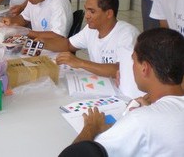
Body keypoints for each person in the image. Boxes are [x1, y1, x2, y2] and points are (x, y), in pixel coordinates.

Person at [68, 28, 184, 157]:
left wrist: (91, 127)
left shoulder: (140, 120)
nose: (131, 66)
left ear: (144, 68)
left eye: (133, 61)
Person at [42, 0, 143, 99]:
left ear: (109, 13)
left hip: (121, 94)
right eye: (86, 10)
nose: (87, 16)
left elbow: (120, 69)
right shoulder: (91, 29)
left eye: (92, 11)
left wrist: (80, 63)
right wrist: (41, 43)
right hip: (100, 86)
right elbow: (68, 44)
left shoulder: (127, 34)